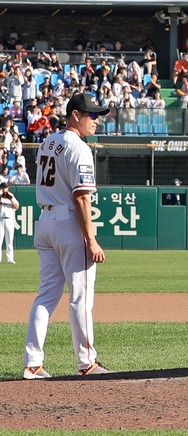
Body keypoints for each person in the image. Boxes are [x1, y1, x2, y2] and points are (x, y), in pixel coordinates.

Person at [24, 93, 111, 379]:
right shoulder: (79, 147)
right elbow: (82, 198)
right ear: (75, 115)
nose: (96, 121)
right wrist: (92, 239)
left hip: (45, 220)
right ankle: (87, 363)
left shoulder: (49, 141)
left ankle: (33, 364)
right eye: (92, 115)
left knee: (46, 295)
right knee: (81, 297)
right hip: (67, 221)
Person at [0, 181, 18, 263]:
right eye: (3, 187)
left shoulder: (11, 196)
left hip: (9, 219)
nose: (4, 189)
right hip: (1, 219)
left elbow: (16, 206)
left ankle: (10, 259)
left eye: (5, 187)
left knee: (10, 240)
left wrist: (10, 198)